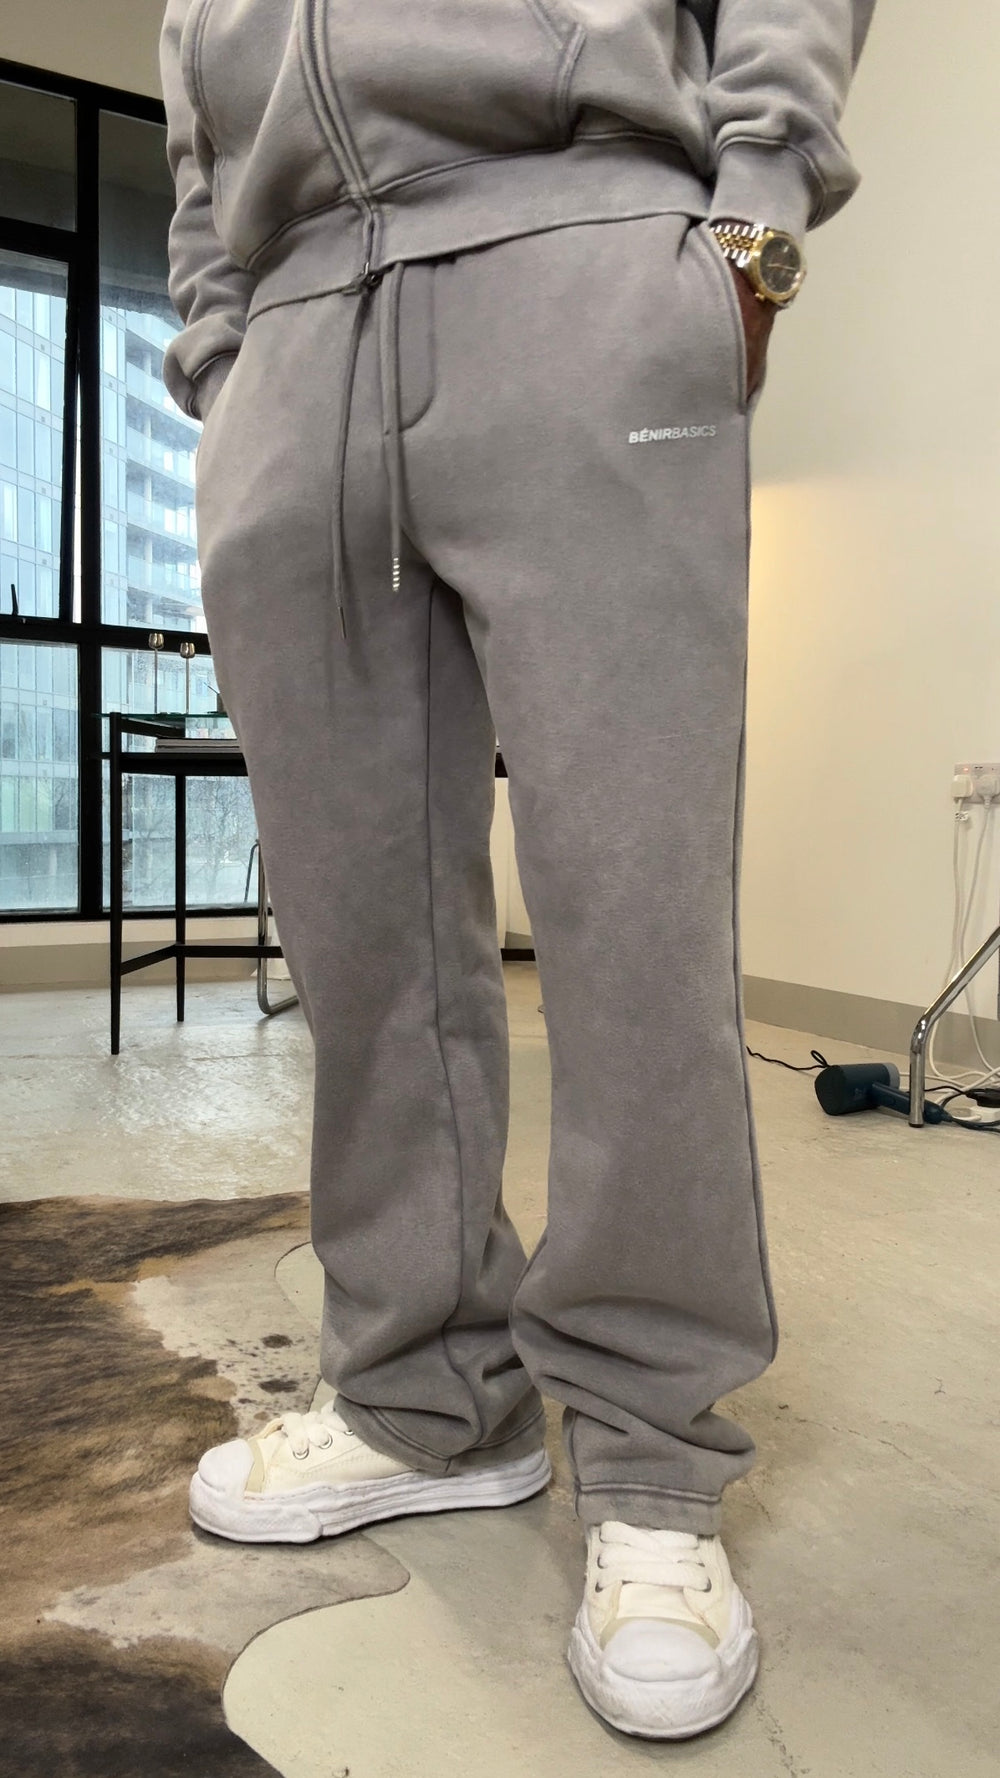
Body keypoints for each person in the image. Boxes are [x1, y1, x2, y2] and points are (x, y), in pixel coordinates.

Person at [160, 0, 874, 1740]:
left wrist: (756, 212)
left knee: (631, 918)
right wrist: (221, 348)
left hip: (579, 249)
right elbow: (196, 115)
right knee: (362, 944)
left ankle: (650, 1449)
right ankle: (424, 1397)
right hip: (292, 331)